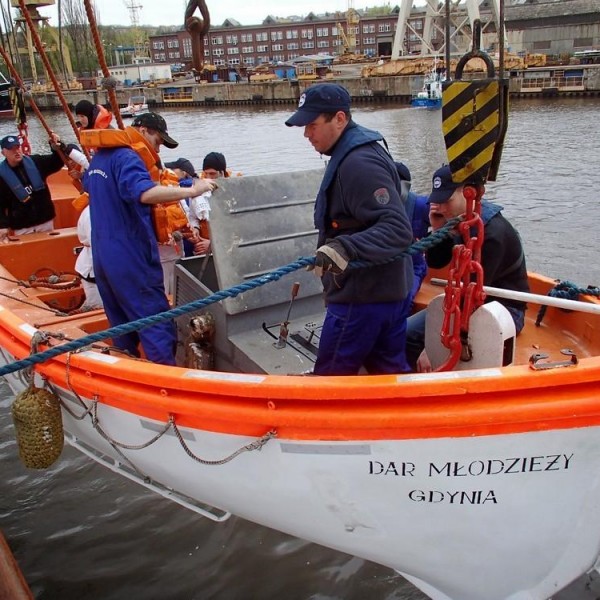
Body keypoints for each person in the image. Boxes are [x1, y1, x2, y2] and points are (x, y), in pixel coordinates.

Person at [285, 83, 414, 375]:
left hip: (361, 302)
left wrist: (344, 247)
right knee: (389, 375)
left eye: (312, 125)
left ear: (340, 119)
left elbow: (396, 228)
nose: (307, 134)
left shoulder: (358, 163)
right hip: (387, 293)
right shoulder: (362, 150)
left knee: (331, 381)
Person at [83, 112, 216, 365]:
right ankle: (169, 385)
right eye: (158, 141)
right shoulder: (126, 157)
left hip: (103, 257)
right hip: (130, 257)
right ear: (143, 131)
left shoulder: (99, 159)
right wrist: (192, 189)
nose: (158, 149)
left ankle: (127, 371)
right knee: (156, 323)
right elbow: (144, 193)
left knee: (122, 326)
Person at [405, 164, 530, 372]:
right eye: (438, 201)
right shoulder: (457, 222)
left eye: (447, 200)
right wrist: (438, 227)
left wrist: (432, 345)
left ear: (468, 194)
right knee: (406, 333)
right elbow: (435, 262)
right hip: (463, 301)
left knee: (411, 338)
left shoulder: (492, 234)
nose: (441, 207)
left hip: (503, 310)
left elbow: (470, 297)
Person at [0, 133, 66, 241]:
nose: (16, 151)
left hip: (45, 222)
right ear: (3, 152)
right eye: (11, 149)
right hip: (22, 227)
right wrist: (2, 225)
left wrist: (56, 146)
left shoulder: (36, 162)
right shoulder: (1, 176)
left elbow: (58, 161)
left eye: (17, 147)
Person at [74, 205, 103, 310]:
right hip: (94, 270)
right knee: (99, 309)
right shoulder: (91, 214)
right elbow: (99, 245)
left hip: (112, 269)